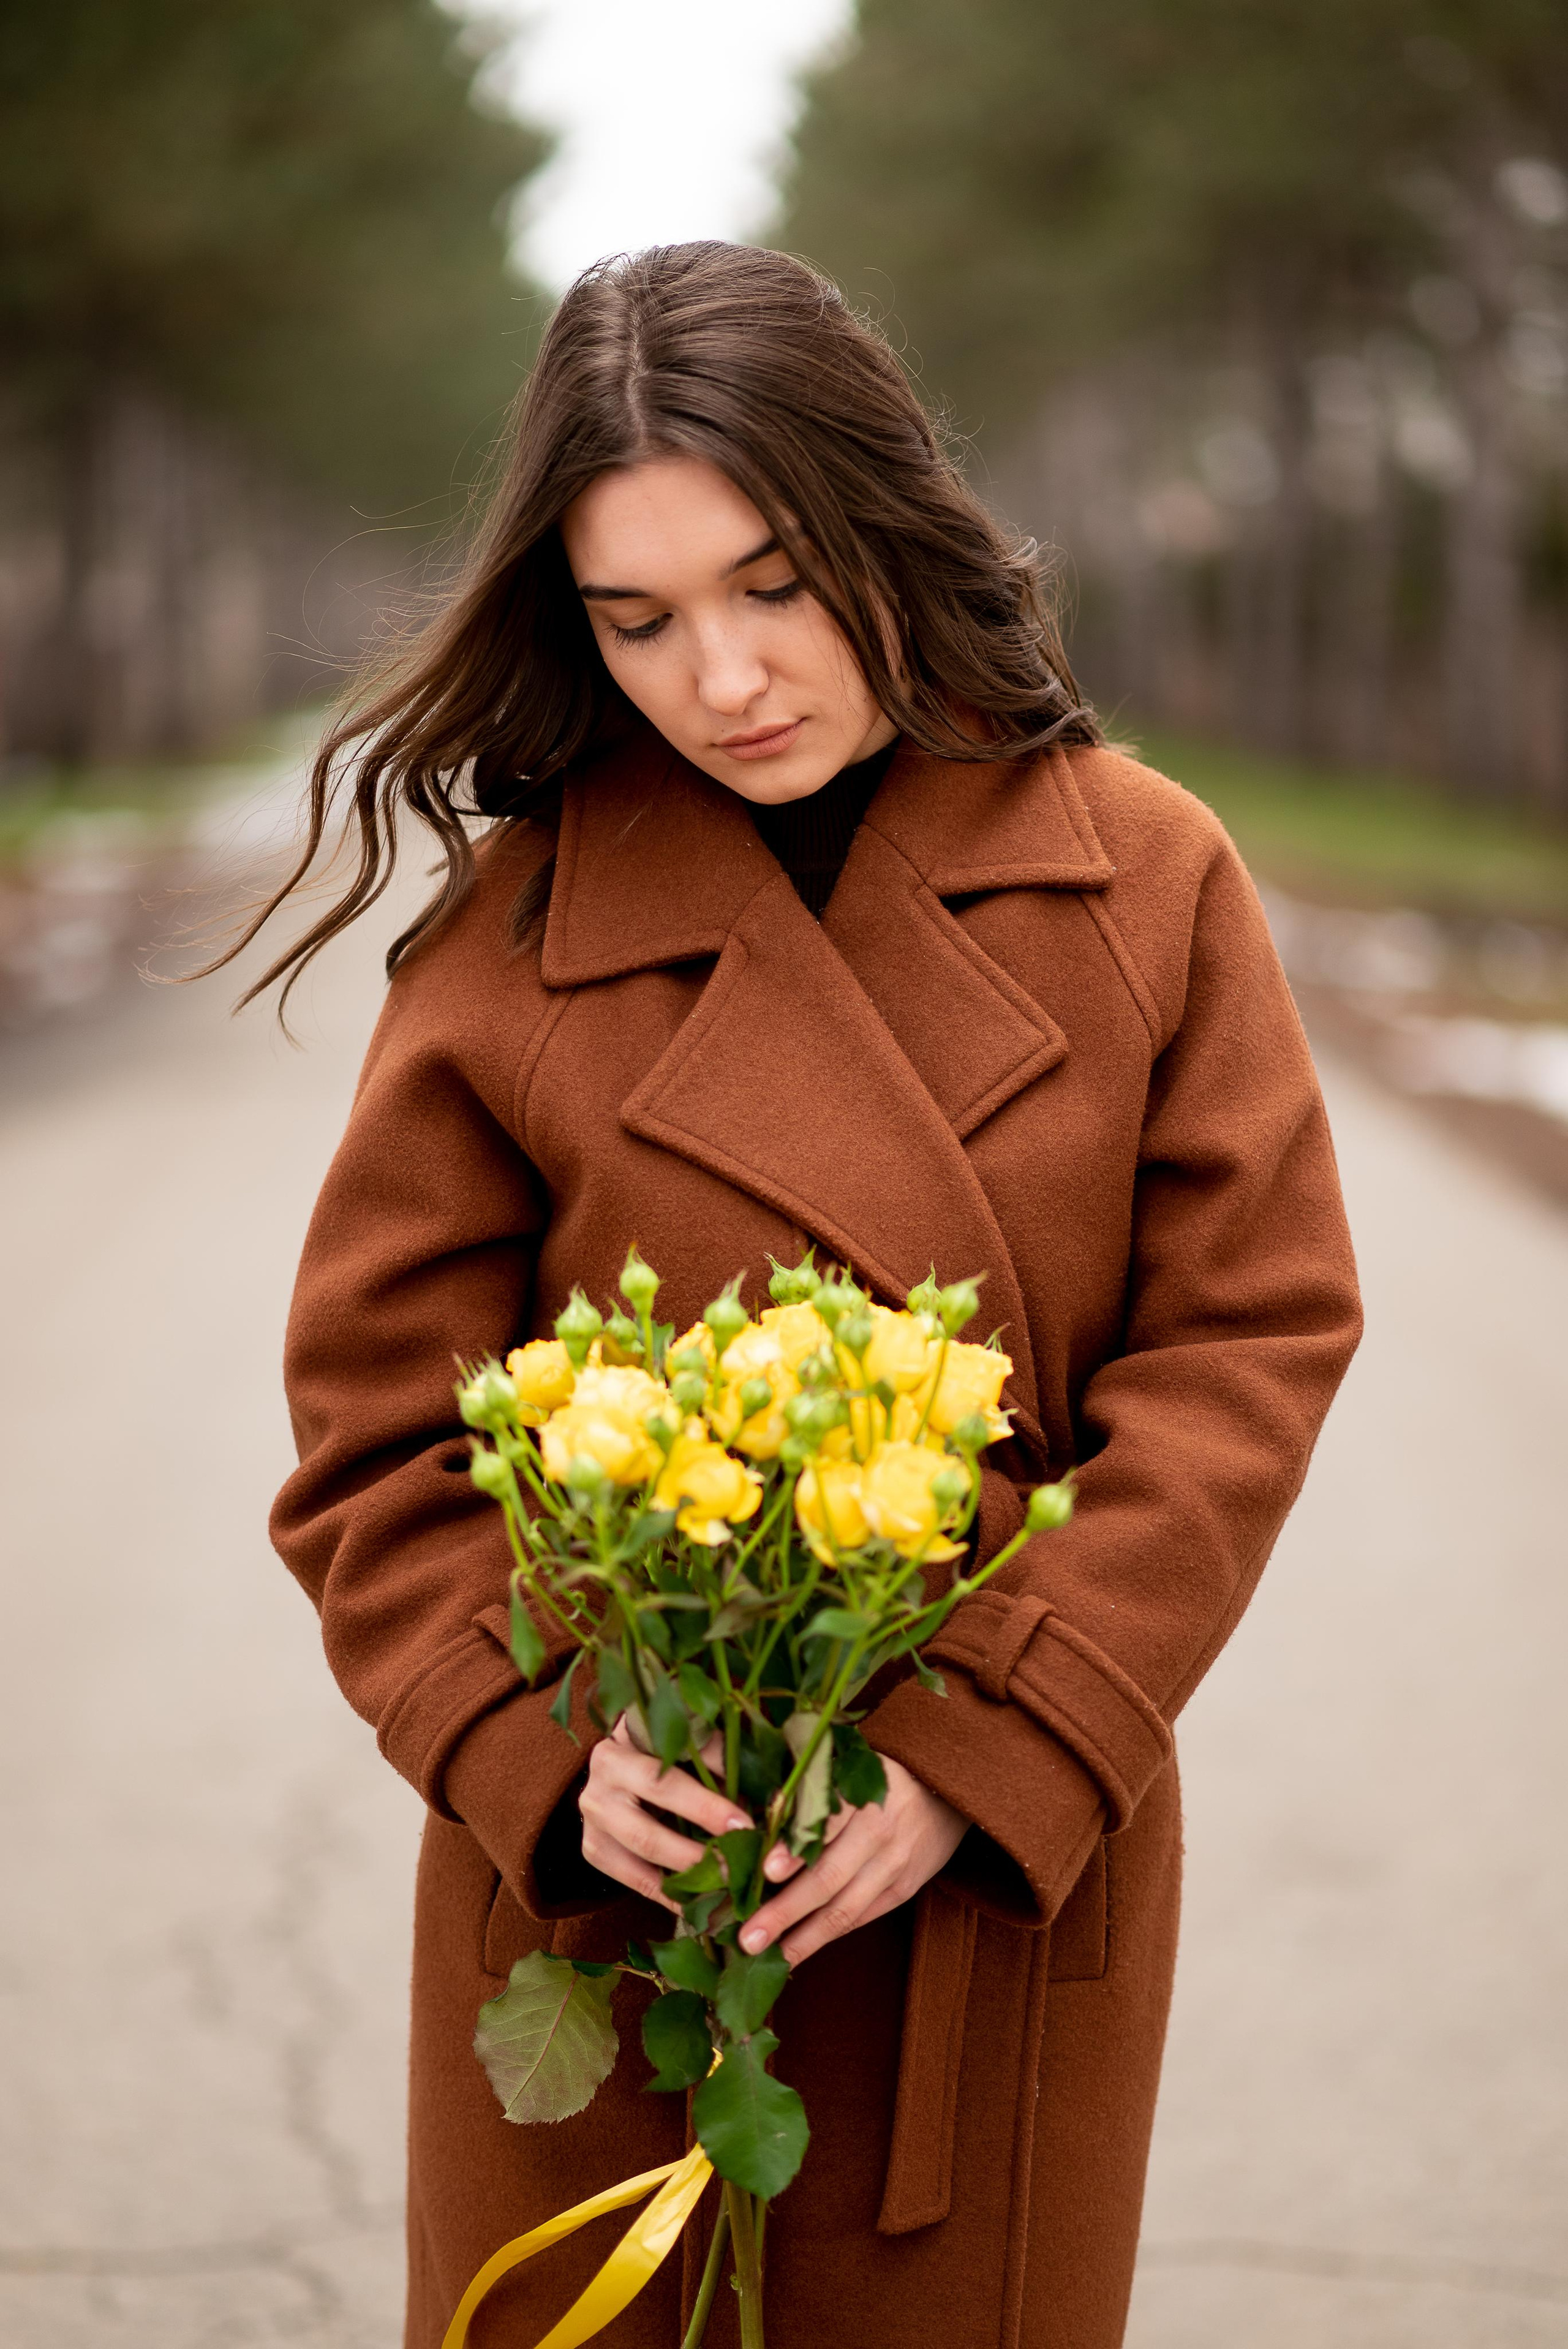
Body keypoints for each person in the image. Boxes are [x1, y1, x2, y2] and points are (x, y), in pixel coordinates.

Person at [237, 242, 1361, 2348]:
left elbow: (1246, 1343)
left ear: (880, 522)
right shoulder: (525, 934)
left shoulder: (1144, 880)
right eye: (636, 618)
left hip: (995, 1898)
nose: (722, 678)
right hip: (608, 1908)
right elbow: (380, 1432)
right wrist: (546, 1749)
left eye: (770, 583)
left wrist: (980, 1738)